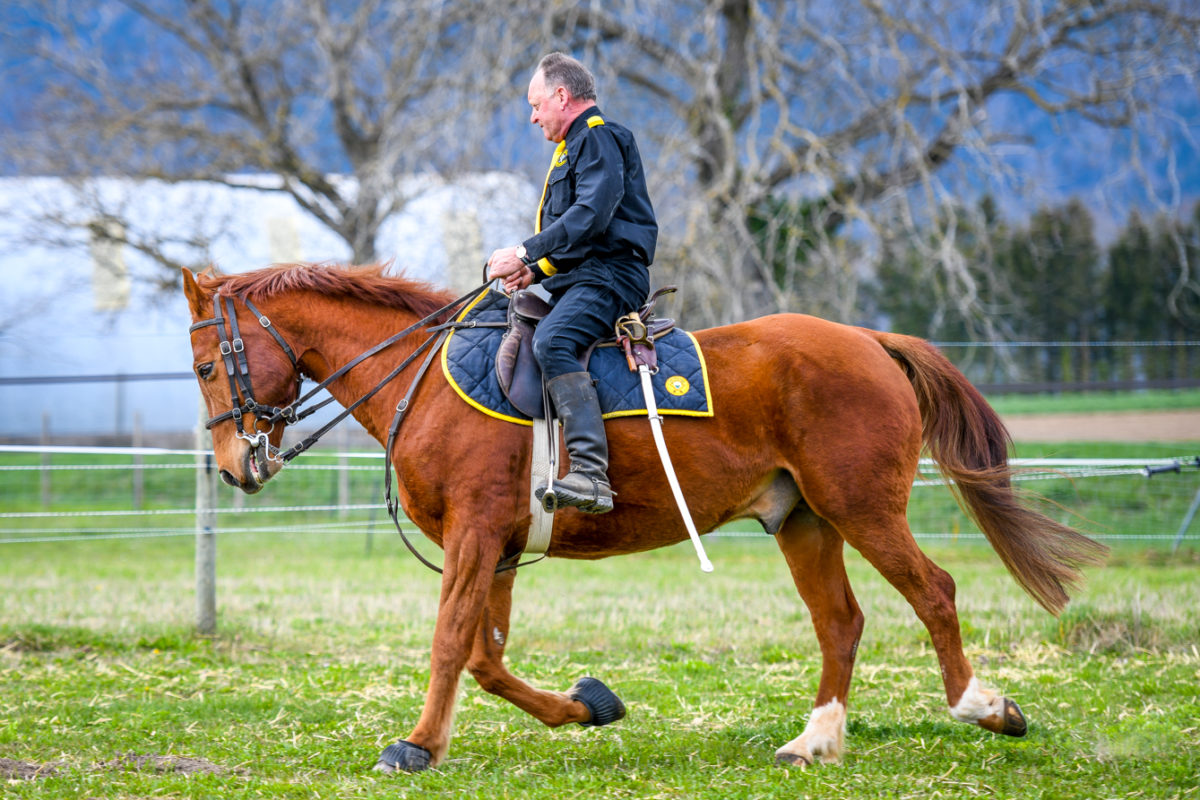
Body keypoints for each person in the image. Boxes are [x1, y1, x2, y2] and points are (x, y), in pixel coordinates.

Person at [487, 52, 658, 515]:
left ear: (562, 96)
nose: (532, 115)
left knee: (554, 339)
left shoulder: (599, 139)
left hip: (610, 278)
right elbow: (583, 237)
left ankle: (590, 473)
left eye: (536, 103)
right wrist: (536, 272)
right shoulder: (577, 144)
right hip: (586, 275)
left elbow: (591, 216)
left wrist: (524, 251)